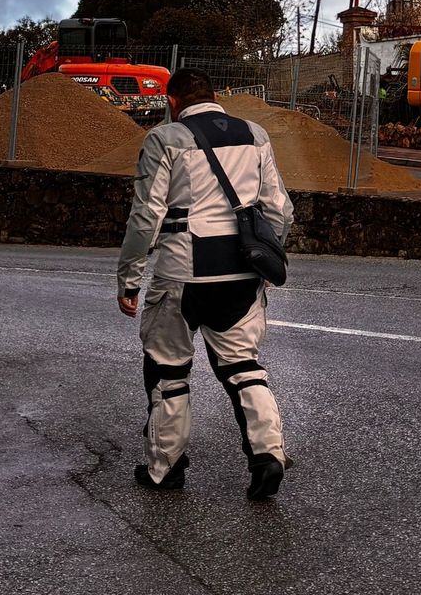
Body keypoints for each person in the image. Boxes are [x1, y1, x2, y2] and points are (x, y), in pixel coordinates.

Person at [116, 68, 293, 499]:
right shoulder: (255, 135)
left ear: (172, 102)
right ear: (215, 97)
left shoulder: (165, 138)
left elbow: (146, 217)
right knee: (243, 365)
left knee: (168, 368)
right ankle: (268, 454)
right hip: (242, 273)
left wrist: (129, 279)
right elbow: (280, 210)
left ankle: (165, 467)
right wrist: (267, 265)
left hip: (182, 273)